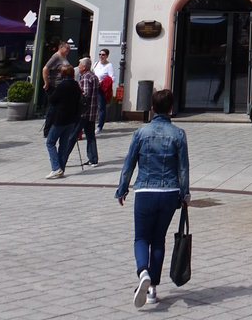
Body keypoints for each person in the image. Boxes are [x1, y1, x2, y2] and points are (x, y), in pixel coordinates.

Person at [116, 87, 190, 309]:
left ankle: (143, 272)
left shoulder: (140, 133)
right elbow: (183, 169)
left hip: (145, 191)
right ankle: (152, 289)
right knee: (159, 239)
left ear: (151, 108)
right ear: (171, 109)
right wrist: (185, 194)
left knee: (141, 238)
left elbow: (129, 163)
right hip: (169, 193)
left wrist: (122, 189)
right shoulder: (179, 134)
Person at [45, 63, 82, 179]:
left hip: (60, 119)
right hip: (71, 119)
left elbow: (52, 100)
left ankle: (56, 168)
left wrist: (49, 91)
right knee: (63, 145)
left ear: (63, 74)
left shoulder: (62, 86)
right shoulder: (76, 85)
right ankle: (61, 168)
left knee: (50, 142)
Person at [77, 56, 99, 166]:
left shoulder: (86, 77)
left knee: (73, 136)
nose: (78, 66)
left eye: (80, 64)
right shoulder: (94, 76)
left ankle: (62, 159)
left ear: (84, 67)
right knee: (90, 136)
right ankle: (93, 158)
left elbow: (85, 95)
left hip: (85, 112)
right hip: (92, 111)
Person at [92, 47, 114, 132]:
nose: (101, 56)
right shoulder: (96, 63)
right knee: (92, 106)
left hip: (101, 88)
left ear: (107, 56)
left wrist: (103, 82)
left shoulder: (109, 65)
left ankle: (99, 126)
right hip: (94, 87)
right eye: (100, 54)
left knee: (101, 107)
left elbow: (112, 78)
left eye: (103, 55)